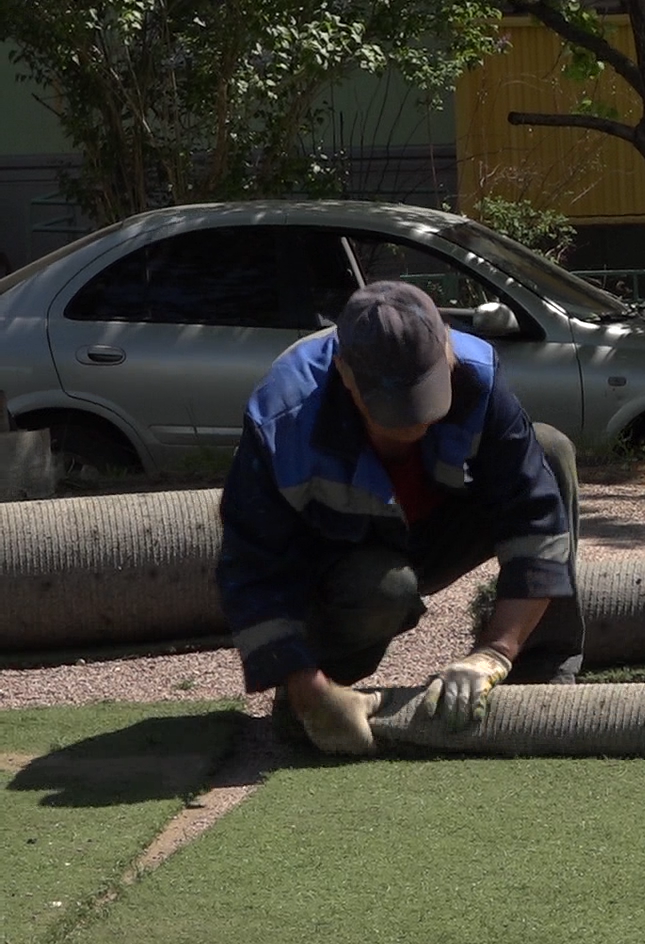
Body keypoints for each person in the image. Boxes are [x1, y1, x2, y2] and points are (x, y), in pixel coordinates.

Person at [217, 280, 582, 754]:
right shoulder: (282, 419)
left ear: (446, 343)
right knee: (385, 589)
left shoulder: (478, 375)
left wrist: (494, 652)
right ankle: (320, 696)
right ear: (345, 373)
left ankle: (539, 666)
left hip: (434, 532)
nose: (416, 423)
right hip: (342, 560)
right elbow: (253, 569)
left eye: (427, 398)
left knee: (550, 452)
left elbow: (534, 520)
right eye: (392, 412)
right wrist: (308, 687)